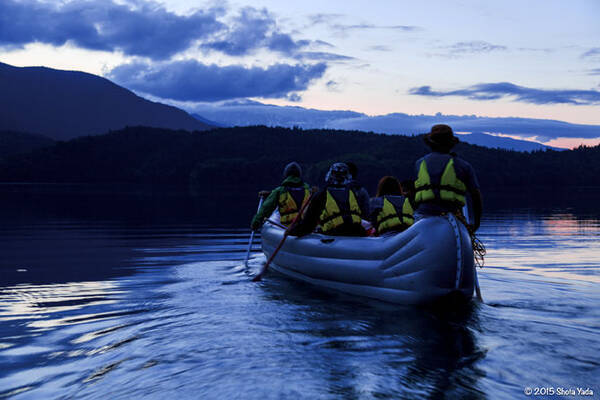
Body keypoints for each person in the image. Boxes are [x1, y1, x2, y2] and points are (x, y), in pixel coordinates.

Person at [413, 124, 482, 231]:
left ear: (431, 144)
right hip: (452, 217)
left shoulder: (419, 163)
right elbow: (476, 197)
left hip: (422, 217)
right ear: (451, 144)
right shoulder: (463, 166)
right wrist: (476, 224)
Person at [288, 162, 366, 237]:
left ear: (329, 176)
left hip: (335, 234)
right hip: (358, 233)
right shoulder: (354, 193)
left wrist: (291, 231)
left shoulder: (321, 195)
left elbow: (308, 225)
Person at [251, 162, 310, 231]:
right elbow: (297, 195)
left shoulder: (280, 191)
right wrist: (270, 194)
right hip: (306, 226)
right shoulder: (308, 191)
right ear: (299, 175)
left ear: (286, 175)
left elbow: (265, 209)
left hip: (288, 226)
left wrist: (255, 223)